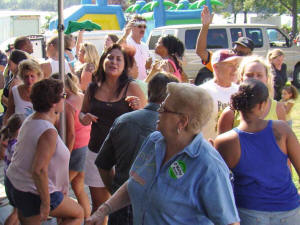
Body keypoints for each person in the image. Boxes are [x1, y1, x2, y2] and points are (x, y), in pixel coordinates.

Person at [86, 82, 240, 225]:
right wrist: (102, 212)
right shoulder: (154, 141)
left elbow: (230, 222)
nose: (158, 110)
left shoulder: (208, 166)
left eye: (164, 109)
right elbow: (136, 182)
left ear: (182, 121)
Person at [95, 73, 179, 225]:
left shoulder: (123, 121)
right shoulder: (176, 128)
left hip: (123, 205)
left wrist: (116, 192)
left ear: (148, 92)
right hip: (155, 208)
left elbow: (102, 164)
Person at [214, 79, 300, 225]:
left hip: (248, 212)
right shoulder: (281, 130)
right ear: (262, 104)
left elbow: (218, 186)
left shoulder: (225, 141)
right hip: (289, 209)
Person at [79, 44, 146, 219]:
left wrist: (139, 108)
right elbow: (82, 111)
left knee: (123, 207)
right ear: (103, 61)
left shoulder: (131, 87)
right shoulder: (93, 87)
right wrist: (83, 118)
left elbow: (147, 119)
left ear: (125, 65)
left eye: (119, 59)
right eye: (110, 57)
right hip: (96, 151)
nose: (113, 62)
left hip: (123, 157)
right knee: (99, 208)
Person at [5, 78, 84, 225]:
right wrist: (46, 204)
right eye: (64, 96)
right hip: (32, 191)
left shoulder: (30, 120)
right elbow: (39, 170)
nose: (65, 100)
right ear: (53, 103)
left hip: (15, 183)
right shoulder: (48, 131)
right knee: (78, 214)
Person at [52, 72, 91, 220]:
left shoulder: (67, 104)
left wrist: (65, 156)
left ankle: (66, 219)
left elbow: (71, 134)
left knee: (59, 189)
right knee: (79, 188)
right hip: (85, 146)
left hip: (75, 149)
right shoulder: (81, 96)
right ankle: (88, 220)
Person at [217, 56, 286, 135]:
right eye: (249, 75)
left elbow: (285, 142)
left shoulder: (278, 108)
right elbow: (222, 145)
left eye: (259, 75)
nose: (254, 79)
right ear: (241, 78)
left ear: (267, 78)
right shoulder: (230, 113)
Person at [196, 6, 254, 73]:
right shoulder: (223, 63)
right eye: (234, 51)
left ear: (250, 55)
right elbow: (201, 52)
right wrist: (205, 26)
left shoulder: (253, 72)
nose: (235, 55)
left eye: (241, 54)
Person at [199, 49, 241, 140]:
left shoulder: (240, 91)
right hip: (209, 149)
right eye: (230, 65)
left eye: (236, 65)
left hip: (233, 149)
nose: (235, 69)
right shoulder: (202, 92)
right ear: (216, 67)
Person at [0, 113, 25, 225]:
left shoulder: (6, 140)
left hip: (9, 180)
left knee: (17, 212)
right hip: (16, 184)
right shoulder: (16, 145)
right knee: (16, 214)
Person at [4, 59, 43, 124]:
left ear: (38, 76)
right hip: (20, 131)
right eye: (26, 77)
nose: (29, 80)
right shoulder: (15, 91)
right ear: (21, 77)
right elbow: (9, 113)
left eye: (32, 76)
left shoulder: (44, 92)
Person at [123, 15, 150, 80]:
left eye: (144, 27)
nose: (143, 29)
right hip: (130, 83)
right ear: (132, 27)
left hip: (144, 83)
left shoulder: (145, 46)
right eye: (139, 26)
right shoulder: (126, 42)